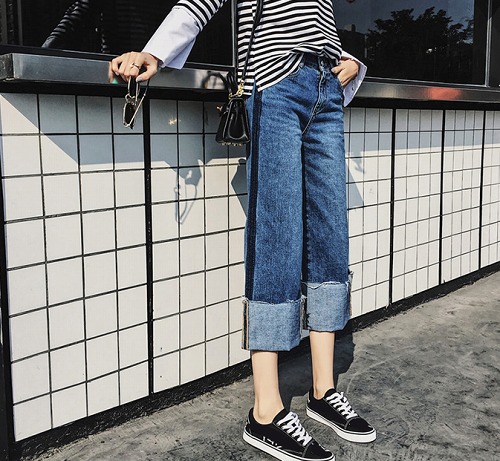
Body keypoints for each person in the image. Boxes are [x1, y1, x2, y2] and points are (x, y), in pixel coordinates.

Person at [111, 1, 375, 460]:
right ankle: (265, 412)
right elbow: (201, 3)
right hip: (275, 83)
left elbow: (313, 17)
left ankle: (322, 390)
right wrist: (154, 52)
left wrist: (348, 60)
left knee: (330, 236)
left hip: (327, 88)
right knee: (277, 234)